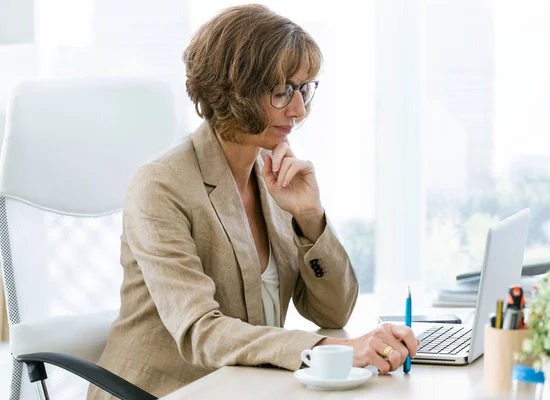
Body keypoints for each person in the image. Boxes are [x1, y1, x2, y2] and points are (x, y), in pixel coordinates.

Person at [87, 4, 418, 399]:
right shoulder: (161, 185)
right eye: (281, 91)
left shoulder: (275, 176)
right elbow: (201, 333)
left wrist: (309, 217)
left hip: (245, 388)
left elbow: (333, 313)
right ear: (234, 90)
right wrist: (336, 352)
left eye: (303, 88)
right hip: (162, 392)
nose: (298, 109)